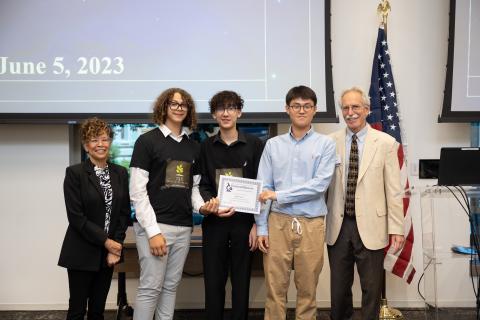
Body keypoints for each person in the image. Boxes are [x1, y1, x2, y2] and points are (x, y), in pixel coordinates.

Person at [256, 85, 336, 320]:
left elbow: (318, 186)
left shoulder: (326, 144)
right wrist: (261, 226)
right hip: (277, 223)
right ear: (287, 109)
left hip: (311, 224)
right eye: (296, 106)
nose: (302, 110)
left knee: (307, 291)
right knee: (275, 290)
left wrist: (279, 195)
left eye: (307, 106)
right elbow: (264, 188)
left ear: (315, 110)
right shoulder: (273, 145)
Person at [326, 87, 405, 320]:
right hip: (338, 226)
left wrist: (397, 228)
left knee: (371, 290)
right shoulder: (329, 143)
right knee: (339, 290)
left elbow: (393, 190)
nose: (350, 113)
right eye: (346, 108)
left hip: (373, 225)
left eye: (355, 107)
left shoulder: (386, 143)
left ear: (367, 110)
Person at [129, 88, 203, 320]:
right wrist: (153, 232)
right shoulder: (146, 141)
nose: (179, 107)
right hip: (156, 228)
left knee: (171, 287)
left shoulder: (194, 147)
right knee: (150, 288)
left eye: (184, 104)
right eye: (174, 103)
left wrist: (204, 208)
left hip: (183, 228)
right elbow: (137, 193)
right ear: (164, 107)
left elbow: (195, 190)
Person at [197, 90, 264, 320]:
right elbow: (203, 184)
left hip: (244, 225)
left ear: (239, 112)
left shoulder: (255, 145)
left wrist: (257, 224)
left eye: (231, 108)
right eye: (220, 109)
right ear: (214, 114)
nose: (226, 113)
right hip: (214, 223)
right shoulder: (205, 147)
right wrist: (211, 203)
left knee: (241, 282)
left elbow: (261, 185)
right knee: (213, 283)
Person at [58, 117, 130, 320]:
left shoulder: (120, 173)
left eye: (105, 139)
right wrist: (108, 243)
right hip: (81, 251)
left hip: (107, 255)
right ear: (85, 145)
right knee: (77, 311)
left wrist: (116, 245)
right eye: (94, 140)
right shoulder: (74, 174)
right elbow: (76, 218)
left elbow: (123, 214)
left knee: (98, 311)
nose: (100, 144)